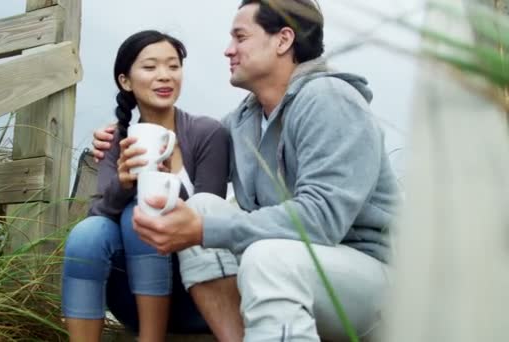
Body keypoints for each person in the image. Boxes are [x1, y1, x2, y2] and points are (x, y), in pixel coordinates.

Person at [93, 1, 400, 341]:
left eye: (240, 37)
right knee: (201, 208)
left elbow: (321, 220)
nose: (228, 50)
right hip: (301, 271)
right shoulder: (244, 121)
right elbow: (194, 147)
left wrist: (204, 229)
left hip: (376, 284)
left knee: (263, 255)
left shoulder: (330, 99)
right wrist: (123, 139)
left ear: (282, 41)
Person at [62, 30, 232, 342]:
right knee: (87, 233)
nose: (165, 76)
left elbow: (208, 222)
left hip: (197, 291)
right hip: (131, 299)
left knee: (142, 211)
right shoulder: (117, 139)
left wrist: (166, 184)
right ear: (125, 81)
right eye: (150, 67)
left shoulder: (208, 133)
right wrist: (125, 182)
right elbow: (98, 212)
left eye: (173, 66)